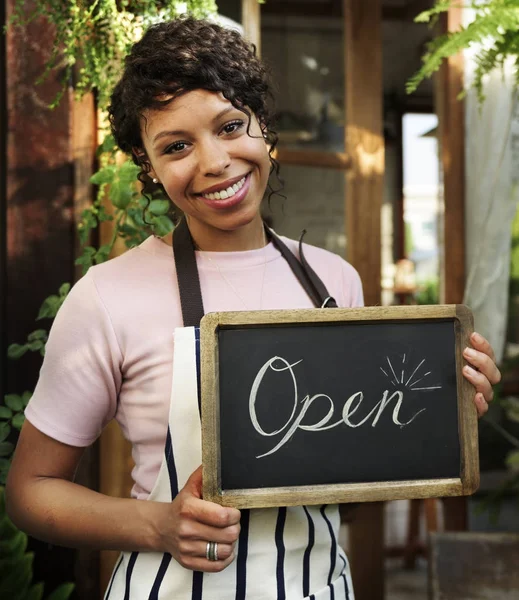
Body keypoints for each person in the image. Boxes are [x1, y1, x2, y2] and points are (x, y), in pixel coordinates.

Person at [6, 16, 501, 600]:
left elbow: (358, 455)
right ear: (149, 166)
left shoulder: (333, 282)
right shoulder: (107, 296)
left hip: (321, 588)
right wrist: (159, 525)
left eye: (230, 126)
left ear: (263, 127)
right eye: (177, 146)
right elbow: (29, 490)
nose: (214, 161)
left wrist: (442, 408)